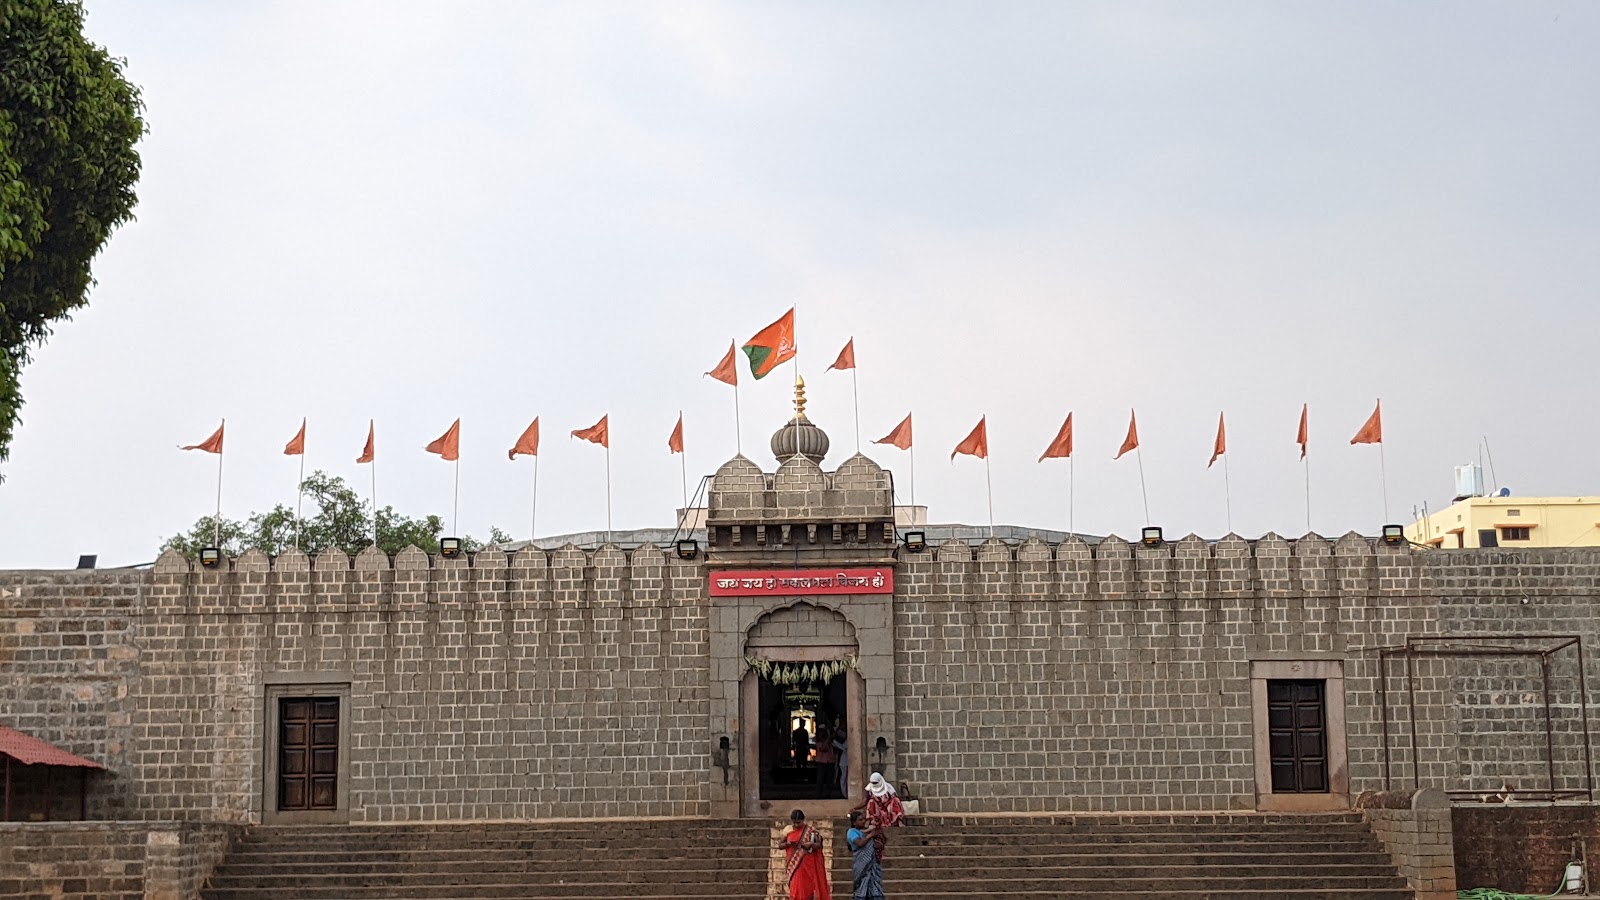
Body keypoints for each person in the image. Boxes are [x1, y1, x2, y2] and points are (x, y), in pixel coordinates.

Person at [777, 809, 831, 900]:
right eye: (794, 823)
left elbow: (819, 845)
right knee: (795, 887)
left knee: (807, 888)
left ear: (803, 820)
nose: (796, 825)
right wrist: (788, 844)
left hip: (807, 863)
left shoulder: (810, 830)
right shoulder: (788, 830)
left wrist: (811, 844)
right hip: (794, 864)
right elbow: (780, 845)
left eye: (799, 823)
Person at [855, 772, 905, 861]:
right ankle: (871, 822)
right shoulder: (869, 789)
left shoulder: (889, 788)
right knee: (871, 802)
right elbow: (865, 801)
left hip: (888, 810)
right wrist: (854, 808)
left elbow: (896, 800)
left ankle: (899, 821)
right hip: (878, 811)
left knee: (895, 801)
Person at [847, 809, 885, 900]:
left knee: (874, 887)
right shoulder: (852, 832)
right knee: (861, 887)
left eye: (864, 819)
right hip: (861, 864)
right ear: (854, 822)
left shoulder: (865, 831)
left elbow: (875, 845)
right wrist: (870, 835)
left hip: (872, 865)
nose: (863, 821)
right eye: (860, 820)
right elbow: (860, 843)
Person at [814, 722, 837, 798]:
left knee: (829, 780)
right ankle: (818, 795)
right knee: (820, 779)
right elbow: (823, 749)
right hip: (821, 762)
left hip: (830, 761)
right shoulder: (819, 742)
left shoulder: (831, 741)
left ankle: (827, 795)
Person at [834, 724, 849, 798]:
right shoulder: (847, 738)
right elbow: (842, 734)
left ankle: (845, 793)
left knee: (844, 778)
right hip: (844, 762)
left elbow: (843, 747)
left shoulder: (848, 740)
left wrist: (833, 742)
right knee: (844, 778)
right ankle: (844, 793)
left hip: (846, 761)